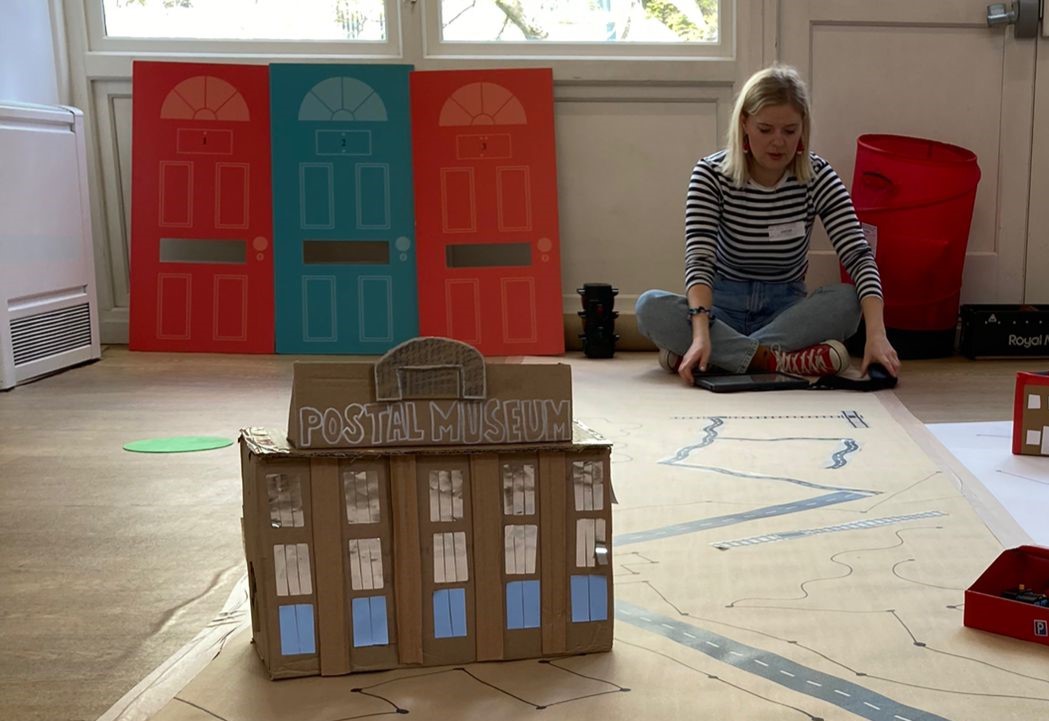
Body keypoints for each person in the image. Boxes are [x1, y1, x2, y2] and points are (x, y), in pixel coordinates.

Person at [635, 64, 901, 385]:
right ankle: (776, 360)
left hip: (786, 312)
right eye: (765, 129)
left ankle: (720, 359)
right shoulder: (710, 175)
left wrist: (877, 335)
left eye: (790, 131)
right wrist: (702, 332)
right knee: (650, 306)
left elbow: (858, 256)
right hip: (722, 311)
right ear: (745, 123)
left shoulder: (818, 176)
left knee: (847, 302)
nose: (778, 143)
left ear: (803, 128)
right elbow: (700, 260)